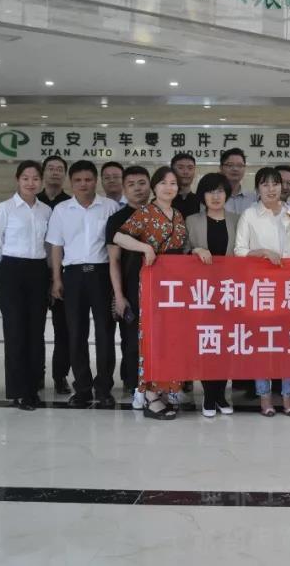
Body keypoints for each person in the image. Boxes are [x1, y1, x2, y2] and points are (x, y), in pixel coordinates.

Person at [112, 167, 200, 419]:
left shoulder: (178, 214)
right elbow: (119, 237)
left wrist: (195, 251)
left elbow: (182, 247)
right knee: (151, 338)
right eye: (163, 183)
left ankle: (167, 390)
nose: (169, 187)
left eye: (173, 183)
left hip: (174, 286)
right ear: (154, 187)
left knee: (171, 338)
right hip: (151, 282)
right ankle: (150, 394)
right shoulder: (145, 212)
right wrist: (145, 248)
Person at [45, 160, 121, 409]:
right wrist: (57, 279)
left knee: (105, 333)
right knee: (76, 333)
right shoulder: (61, 210)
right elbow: (56, 246)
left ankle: (104, 388)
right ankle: (83, 388)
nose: (83, 184)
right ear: (71, 182)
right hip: (73, 276)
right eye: (78, 180)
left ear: (96, 181)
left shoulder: (110, 207)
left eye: (88, 179)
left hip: (102, 275)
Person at [234, 167, 290, 417]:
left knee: (288, 345)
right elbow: (239, 251)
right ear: (257, 189)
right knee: (262, 345)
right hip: (260, 289)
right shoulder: (250, 215)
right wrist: (262, 252)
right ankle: (264, 396)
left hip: (289, 288)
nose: (271, 189)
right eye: (265, 184)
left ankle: (287, 394)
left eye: (275, 184)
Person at [0, 160, 52, 411]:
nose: (30, 183)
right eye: (26, 178)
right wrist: (4, 268)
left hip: (38, 271)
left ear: (41, 181)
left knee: (36, 332)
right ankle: (18, 390)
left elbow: (49, 244)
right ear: (18, 180)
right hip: (12, 270)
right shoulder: (5, 208)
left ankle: (33, 387)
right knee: (15, 331)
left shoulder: (46, 210)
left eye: (35, 178)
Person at [185, 172, 239, 419]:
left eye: (220, 191)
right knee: (207, 342)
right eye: (210, 191)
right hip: (202, 292)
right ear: (202, 195)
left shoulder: (237, 220)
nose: (215, 196)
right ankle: (208, 394)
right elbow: (181, 251)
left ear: (227, 194)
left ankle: (220, 394)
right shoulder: (191, 221)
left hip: (230, 291)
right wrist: (195, 249)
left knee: (226, 344)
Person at [106, 166, 152, 402]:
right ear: (124, 189)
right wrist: (119, 295)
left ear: (150, 185)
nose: (138, 188)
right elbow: (113, 261)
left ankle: (157, 384)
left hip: (159, 290)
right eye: (131, 184)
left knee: (157, 339)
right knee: (132, 341)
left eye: (142, 183)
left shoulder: (161, 215)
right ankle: (134, 385)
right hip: (130, 288)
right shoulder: (117, 219)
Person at [38, 155, 72, 395]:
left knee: (64, 330)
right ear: (43, 173)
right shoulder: (33, 201)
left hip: (63, 273)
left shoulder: (70, 204)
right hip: (36, 272)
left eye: (60, 169)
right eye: (50, 168)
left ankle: (60, 376)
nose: (55, 172)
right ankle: (35, 374)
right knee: (34, 328)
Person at [221, 148, 257, 214]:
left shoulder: (254, 198)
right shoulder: (213, 197)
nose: (235, 169)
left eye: (240, 165)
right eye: (230, 165)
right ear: (221, 168)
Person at [171, 153, 200, 217]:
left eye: (190, 168)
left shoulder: (200, 201)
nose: (186, 172)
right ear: (172, 171)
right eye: (180, 168)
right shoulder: (163, 200)